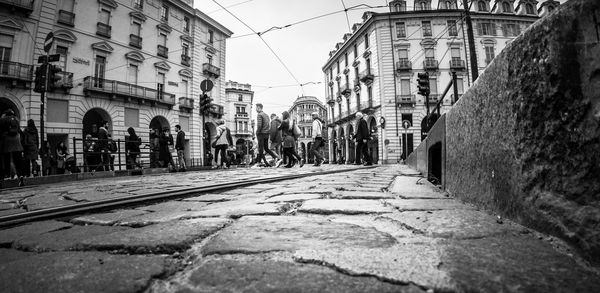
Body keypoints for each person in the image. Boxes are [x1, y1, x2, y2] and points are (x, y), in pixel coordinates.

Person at [0, 109, 24, 180]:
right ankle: (20, 174)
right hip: (17, 140)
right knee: (17, 158)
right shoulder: (16, 119)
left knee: (7, 158)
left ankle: (8, 175)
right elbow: (19, 130)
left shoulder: (3, 119)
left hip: (7, 140)